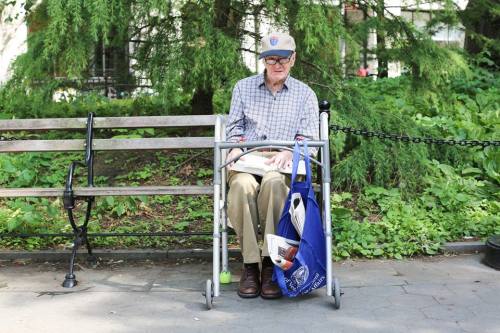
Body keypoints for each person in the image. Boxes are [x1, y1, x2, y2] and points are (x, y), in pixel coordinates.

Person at [225, 32, 319, 299]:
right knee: (241, 186)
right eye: (270, 59)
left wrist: (291, 151)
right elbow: (234, 129)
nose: (277, 65)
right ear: (263, 61)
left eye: (283, 59)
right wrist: (234, 147)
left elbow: (309, 138)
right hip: (248, 161)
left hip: (283, 165)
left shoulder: (305, 94)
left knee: (275, 184)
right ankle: (250, 265)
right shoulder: (243, 88)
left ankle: (271, 264)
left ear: (294, 59)